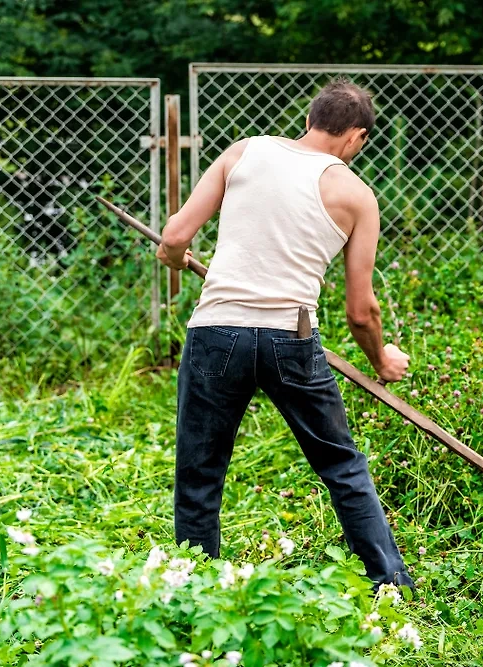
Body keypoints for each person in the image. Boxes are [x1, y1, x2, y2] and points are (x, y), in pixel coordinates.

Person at [154, 77, 414, 590]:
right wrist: (382, 360)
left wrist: (173, 257)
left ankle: (196, 587)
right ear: (357, 136)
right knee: (341, 465)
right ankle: (390, 584)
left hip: (216, 331)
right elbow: (361, 312)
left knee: (200, 471)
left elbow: (176, 234)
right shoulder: (357, 195)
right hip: (290, 340)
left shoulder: (244, 152)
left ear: (310, 120)